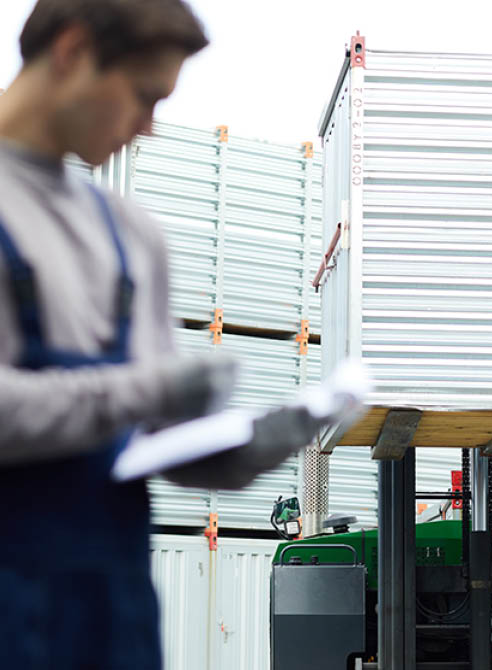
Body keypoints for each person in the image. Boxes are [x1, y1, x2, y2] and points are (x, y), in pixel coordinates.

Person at [0, 2, 331, 667]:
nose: (149, 126)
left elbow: (148, 438)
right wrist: (151, 389)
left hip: (112, 608)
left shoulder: (131, 234)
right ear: (71, 50)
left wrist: (242, 449)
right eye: (144, 95)